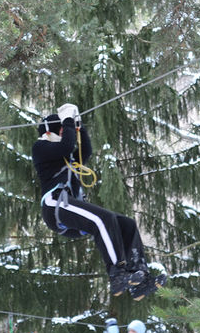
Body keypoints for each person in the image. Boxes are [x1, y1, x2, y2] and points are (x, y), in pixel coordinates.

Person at [32, 103, 165, 299]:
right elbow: (67, 145)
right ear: (53, 131)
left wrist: (79, 125)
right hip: (54, 205)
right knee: (103, 219)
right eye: (62, 128)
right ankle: (117, 273)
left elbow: (85, 151)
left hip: (67, 205)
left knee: (125, 224)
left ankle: (140, 278)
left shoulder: (66, 156)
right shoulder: (41, 147)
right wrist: (67, 120)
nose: (65, 131)